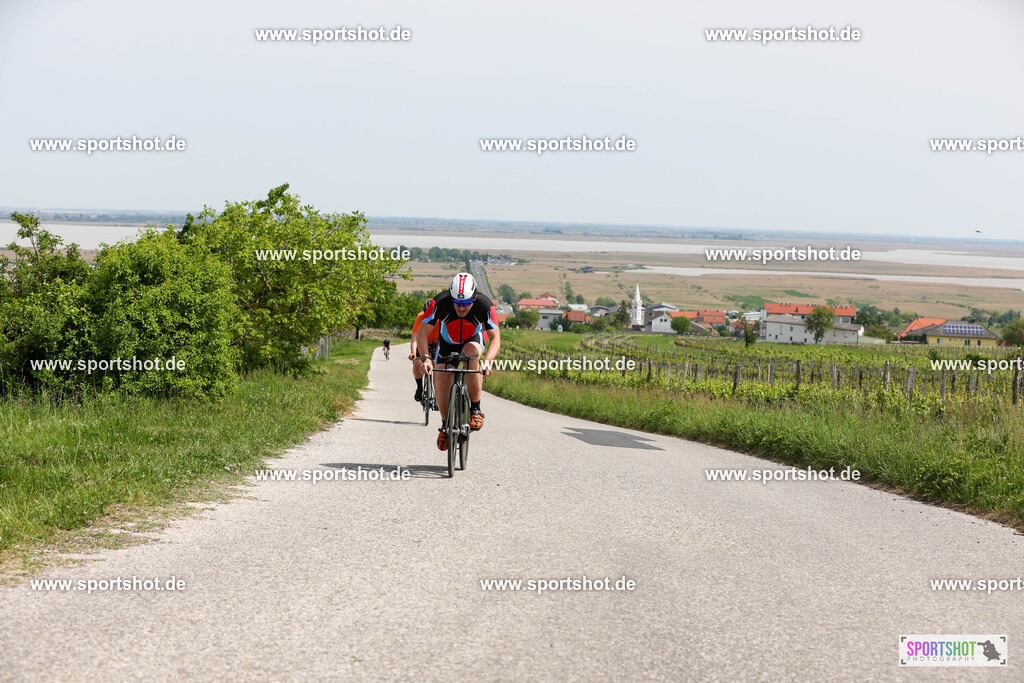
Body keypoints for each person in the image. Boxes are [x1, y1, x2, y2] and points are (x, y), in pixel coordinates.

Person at [417, 273, 500, 451]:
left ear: (474, 297)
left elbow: (495, 339)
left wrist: (487, 362)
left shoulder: (485, 305)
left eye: (466, 303)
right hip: (447, 342)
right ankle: (446, 425)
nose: (461, 308)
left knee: (471, 356)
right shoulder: (439, 302)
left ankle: (476, 410)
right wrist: (425, 358)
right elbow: (422, 333)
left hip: (473, 339)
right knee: (440, 376)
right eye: (457, 303)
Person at [410, 305, 440, 403]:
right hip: (423, 341)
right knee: (418, 363)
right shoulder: (420, 317)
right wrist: (414, 353)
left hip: (437, 342)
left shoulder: (441, 316)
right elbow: (414, 338)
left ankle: (437, 394)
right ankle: (419, 387)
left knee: (437, 365)